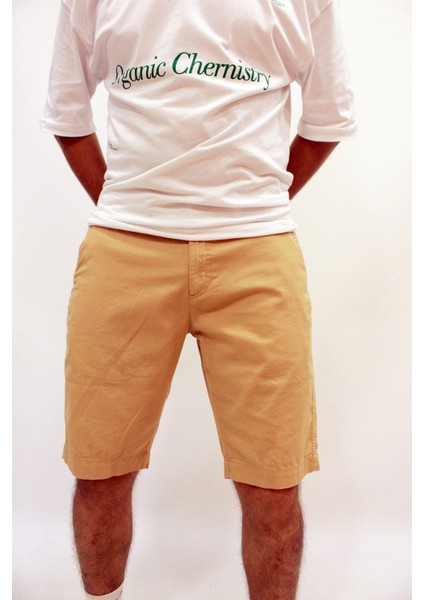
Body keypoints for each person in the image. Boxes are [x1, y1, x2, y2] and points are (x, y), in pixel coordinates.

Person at [41, 0, 356, 597]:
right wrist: (129, 206)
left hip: (257, 251)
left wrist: (254, 202)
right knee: (99, 472)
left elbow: (328, 119)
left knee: (274, 485)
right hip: (125, 250)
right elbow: (66, 113)